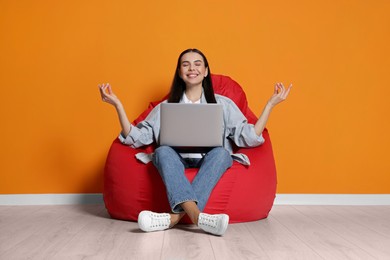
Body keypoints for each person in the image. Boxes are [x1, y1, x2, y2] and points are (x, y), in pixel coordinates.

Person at [99, 48, 292, 236]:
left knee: (222, 153)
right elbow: (136, 137)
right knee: (162, 151)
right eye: (186, 64)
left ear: (206, 71)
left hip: (211, 158)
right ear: (180, 72)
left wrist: (270, 105)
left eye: (197, 64)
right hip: (176, 159)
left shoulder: (223, 104)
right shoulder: (165, 107)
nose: (192, 68)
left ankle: (172, 218)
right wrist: (118, 106)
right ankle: (199, 218)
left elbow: (248, 136)